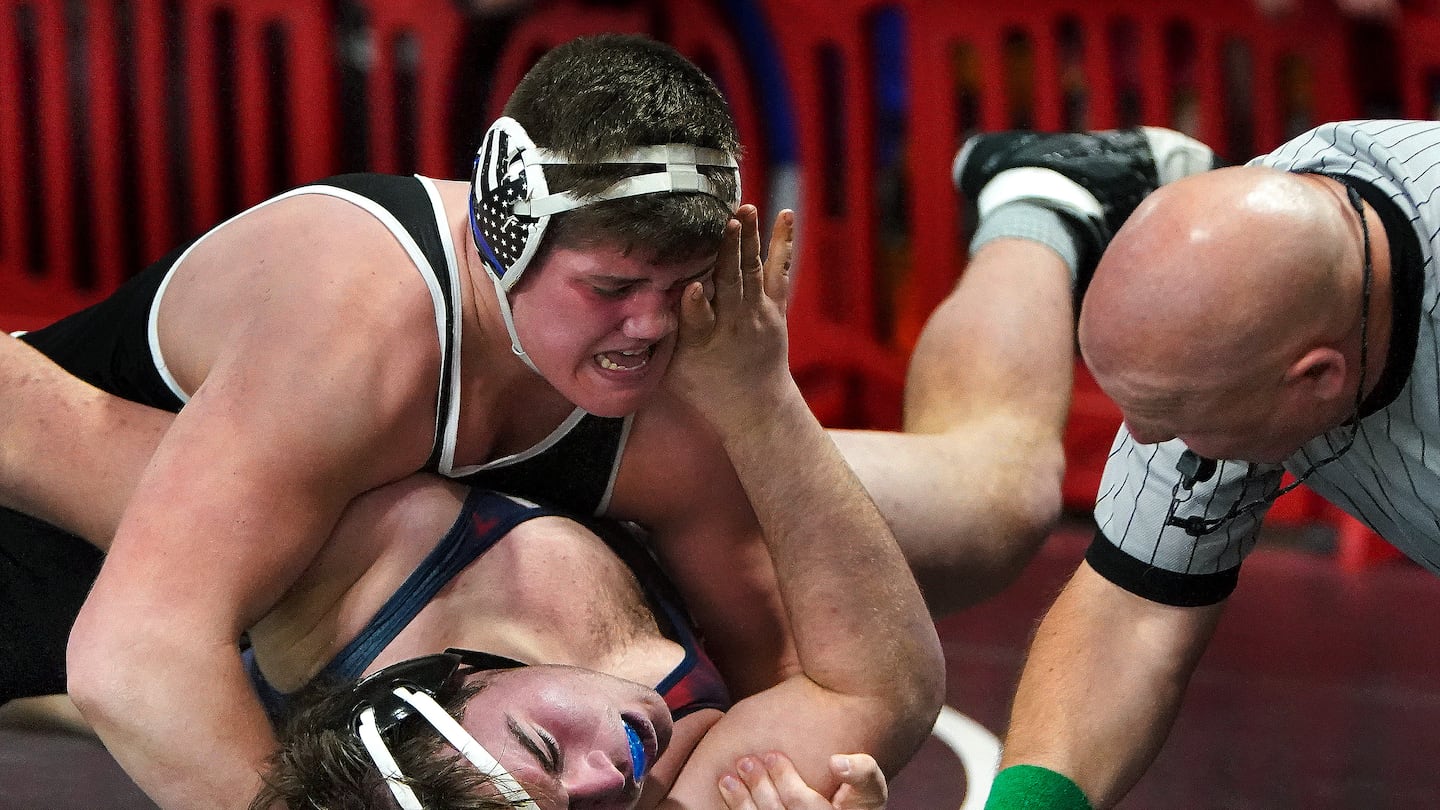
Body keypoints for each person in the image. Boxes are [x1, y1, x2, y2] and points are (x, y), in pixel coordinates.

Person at [0, 197, 940, 809]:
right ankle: (1036, 207)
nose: (610, 771)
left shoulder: (343, 575)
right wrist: (762, 404)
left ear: (442, 684)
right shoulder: (671, 789)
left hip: (68, 556)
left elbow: (30, 427)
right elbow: (882, 687)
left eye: (541, 745)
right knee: (994, 498)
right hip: (634, 481)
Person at [960, 119, 1440, 810]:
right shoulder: (1239, 300)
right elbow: (1132, 613)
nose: (1143, 438)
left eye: (1177, 413)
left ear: (1316, 378)